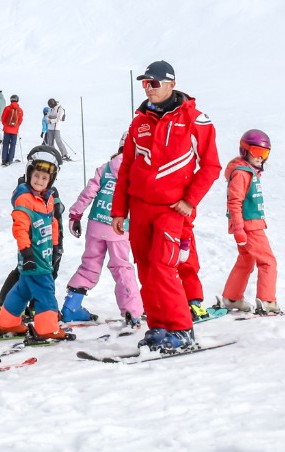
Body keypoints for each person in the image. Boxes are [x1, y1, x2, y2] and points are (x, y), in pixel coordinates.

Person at [110, 60, 223, 353]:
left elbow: (211, 166)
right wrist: (119, 209)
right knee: (146, 270)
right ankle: (158, 327)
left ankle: (182, 328)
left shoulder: (195, 120)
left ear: (171, 84)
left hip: (171, 209)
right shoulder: (139, 121)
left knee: (163, 267)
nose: (149, 89)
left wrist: (189, 200)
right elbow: (127, 168)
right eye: (146, 84)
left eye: (155, 83)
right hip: (140, 207)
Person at [62, 145, 143, 328]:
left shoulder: (106, 168)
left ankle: (71, 306)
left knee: (90, 264)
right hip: (119, 226)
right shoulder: (138, 170)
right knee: (121, 266)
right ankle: (132, 312)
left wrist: (76, 214)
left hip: (96, 223)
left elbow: (88, 193)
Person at [0, 148, 68, 340]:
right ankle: (47, 329)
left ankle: (7, 323)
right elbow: (20, 229)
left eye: (44, 178)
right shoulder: (25, 199)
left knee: (22, 290)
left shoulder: (46, 198)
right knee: (45, 292)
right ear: (28, 174)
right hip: (33, 257)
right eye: (36, 176)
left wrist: (54, 247)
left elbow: (52, 223)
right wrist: (27, 254)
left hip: (43, 255)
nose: (39, 181)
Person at [212, 130, 281, 315]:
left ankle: (232, 298)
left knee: (246, 260)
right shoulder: (242, 173)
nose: (261, 158)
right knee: (268, 262)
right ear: (245, 150)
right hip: (250, 226)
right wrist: (239, 228)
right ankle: (267, 301)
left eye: (265, 153)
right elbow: (234, 202)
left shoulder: (247, 171)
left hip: (248, 225)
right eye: (257, 152)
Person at [0, 96, 24, 166]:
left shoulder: (7, 108)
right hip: (15, 131)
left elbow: (3, 118)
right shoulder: (20, 110)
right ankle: (10, 160)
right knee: (13, 145)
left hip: (7, 130)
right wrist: (16, 126)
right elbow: (20, 120)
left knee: (5, 145)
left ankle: (4, 160)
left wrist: (5, 125)